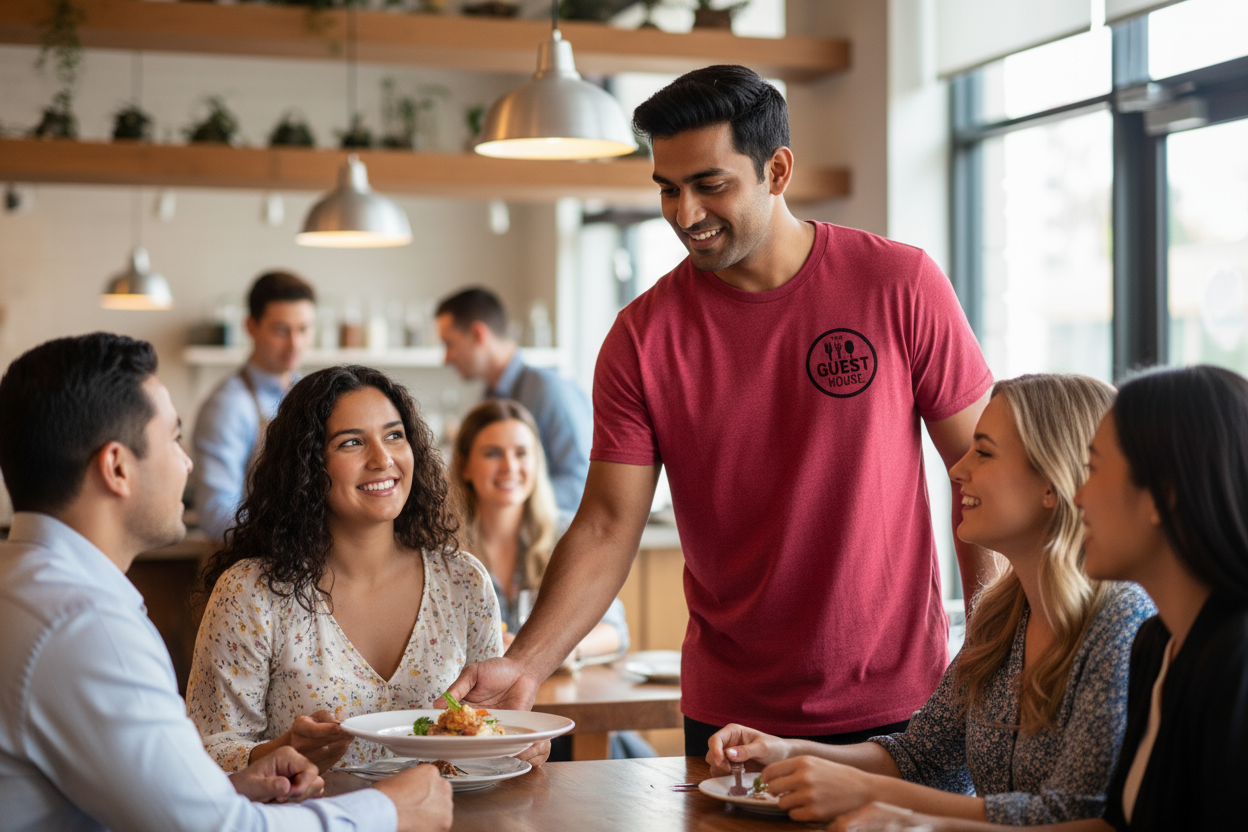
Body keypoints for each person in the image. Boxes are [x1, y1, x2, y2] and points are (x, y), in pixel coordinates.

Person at [442, 64, 997, 758]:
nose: (684, 214)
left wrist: (990, 653)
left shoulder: (899, 283)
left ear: (778, 169)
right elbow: (609, 524)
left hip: (899, 705)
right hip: (731, 718)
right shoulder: (642, 338)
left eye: (710, 185)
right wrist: (525, 663)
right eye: (668, 189)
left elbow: (982, 473)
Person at [0, 333, 451, 832]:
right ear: (117, 467)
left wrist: (228, 788)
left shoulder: (25, 590)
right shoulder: (84, 626)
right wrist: (390, 811)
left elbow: (143, 802)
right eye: (173, 439)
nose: (188, 463)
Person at [705, 374, 1154, 825]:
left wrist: (871, 793)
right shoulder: (1002, 616)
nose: (958, 470)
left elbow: (1074, 816)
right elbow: (923, 759)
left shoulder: (1123, 622)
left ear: (1051, 485)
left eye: (984, 452)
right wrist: (786, 751)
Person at [833, 364, 1248, 832]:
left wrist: (907, 814)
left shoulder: (1197, 648)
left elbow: (1079, 813)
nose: (1081, 493)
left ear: (1162, 496)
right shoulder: (1159, 642)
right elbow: (1114, 825)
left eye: (1095, 470)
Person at [188, 365, 546, 772]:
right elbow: (205, 754)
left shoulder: (463, 581)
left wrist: (511, 745)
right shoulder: (251, 592)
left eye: (394, 435)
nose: (382, 459)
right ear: (307, 465)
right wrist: (282, 751)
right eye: (351, 443)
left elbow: (487, 728)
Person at [436, 287, 592, 513]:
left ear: (478, 334)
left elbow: (581, 484)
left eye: (449, 344)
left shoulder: (549, 390)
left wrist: (507, 502)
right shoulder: (489, 397)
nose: (446, 358)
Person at [192, 270, 317, 542]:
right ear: (251, 326)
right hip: (247, 567)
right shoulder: (228, 405)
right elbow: (215, 511)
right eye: (281, 330)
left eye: (304, 329)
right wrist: (285, 545)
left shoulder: (309, 395)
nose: (295, 343)